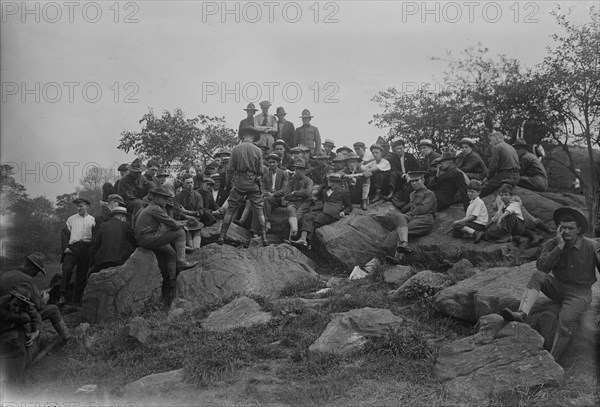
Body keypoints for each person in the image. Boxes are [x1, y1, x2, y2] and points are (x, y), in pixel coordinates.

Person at [501, 207, 600, 362]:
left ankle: (553, 360)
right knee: (538, 276)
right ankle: (522, 314)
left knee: (566, 319)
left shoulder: (591, 246)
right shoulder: (552, 243)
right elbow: (542, 268)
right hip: (558, 288)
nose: (566, 232)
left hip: (580, 294)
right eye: (563, 228)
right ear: (558, 228)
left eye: (571, 228)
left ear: (579, 229)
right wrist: (559, 247)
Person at [135, 186, 198, 305]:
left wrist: (178, 224)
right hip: (147, 239)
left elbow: (168, 223)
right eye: (164, 198)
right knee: (179, 232)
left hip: (145, 238)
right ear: (157, 198)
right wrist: (181, 225)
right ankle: (182, 261)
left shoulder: (152, 208)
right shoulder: (155, 208)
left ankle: (172, 280)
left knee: (171, 253)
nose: (166, 201)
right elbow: (171, 224)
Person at [0, 253, 71, 344]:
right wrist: (45, 298)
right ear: (32, 268)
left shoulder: (5, 274)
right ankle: (67, 338)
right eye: (36, 272)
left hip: (4, 317)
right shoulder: (27, 279)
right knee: (53, 309)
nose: (35, 275)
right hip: (18, 319)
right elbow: (40, 305)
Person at [217, 127, 269, 246]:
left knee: (231, 209)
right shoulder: (258, 150)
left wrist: (230, 182)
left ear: (243, 136)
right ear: (252, 136)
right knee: (259, 210)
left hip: (239, 182)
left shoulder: (235, 149)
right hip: (253, 183)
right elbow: (261, 170)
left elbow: (230, 169)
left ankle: (221, 236)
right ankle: (265, 238)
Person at [386, 172, 437, 264]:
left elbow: (423, 209)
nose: (414, 183)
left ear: (423, 180)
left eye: (417, 180)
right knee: (400, 217)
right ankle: (404, 244)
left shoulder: (430, 194)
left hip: (425, 219)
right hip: (414, 217)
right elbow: (412, 209)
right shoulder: (412, 194)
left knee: (403, 230)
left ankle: (398, 257)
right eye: (412, 181)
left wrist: (410, 215)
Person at [291, 174, 353, 247]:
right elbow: (317, 197)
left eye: (335, 182)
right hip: (321, 209)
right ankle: (302, 239)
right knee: (307, 216)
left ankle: (308, 242)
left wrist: (343, 212)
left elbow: (349, 206)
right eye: (331, 181)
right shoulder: (325, 191)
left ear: (338, 183)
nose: (332, 183)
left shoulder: (343, 192)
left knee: (316, 220)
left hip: (331, 213)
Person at [264, 157, 314, 241]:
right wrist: (297, 195)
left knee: (298, 215)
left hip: (305, 202)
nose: (298, 171)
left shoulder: (308, 180)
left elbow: (307, 193)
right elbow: (286, 195)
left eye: (301, 169)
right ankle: (292, 236)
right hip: (293, 202)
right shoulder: (292, 181)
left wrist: (295, 193)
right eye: (297, 168)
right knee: (290, 209)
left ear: (304, 170)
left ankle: (294, 238)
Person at [59, 197, 95, 307]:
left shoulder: (92, 220)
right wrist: (65, 247)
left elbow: (96, 235)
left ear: (87, 206)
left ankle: (75, 301)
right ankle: (62, 294)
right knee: (67, 269)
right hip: (73, 247)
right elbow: (64, 233)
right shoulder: (71, 219)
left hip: (86, 247)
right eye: (77, 206)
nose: (79, 208)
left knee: (82, 274)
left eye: (81, 206)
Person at [89, 207, 137, 274]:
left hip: (102, 261)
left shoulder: (103, 225)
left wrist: (91, 263)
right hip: (119, 261)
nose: (125, 220)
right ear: (121, 216)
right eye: (125, 217)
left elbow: (95, 246)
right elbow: (135, 242)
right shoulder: (126, 226)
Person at [480, 131, 520, 197]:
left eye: (491, 140)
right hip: (517, 177)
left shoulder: (497, 147)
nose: (490, 143)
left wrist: (488, 178)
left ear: (497, 138)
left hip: (505, 175)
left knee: (482, 189)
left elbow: (493, 166)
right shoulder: (511, 147)